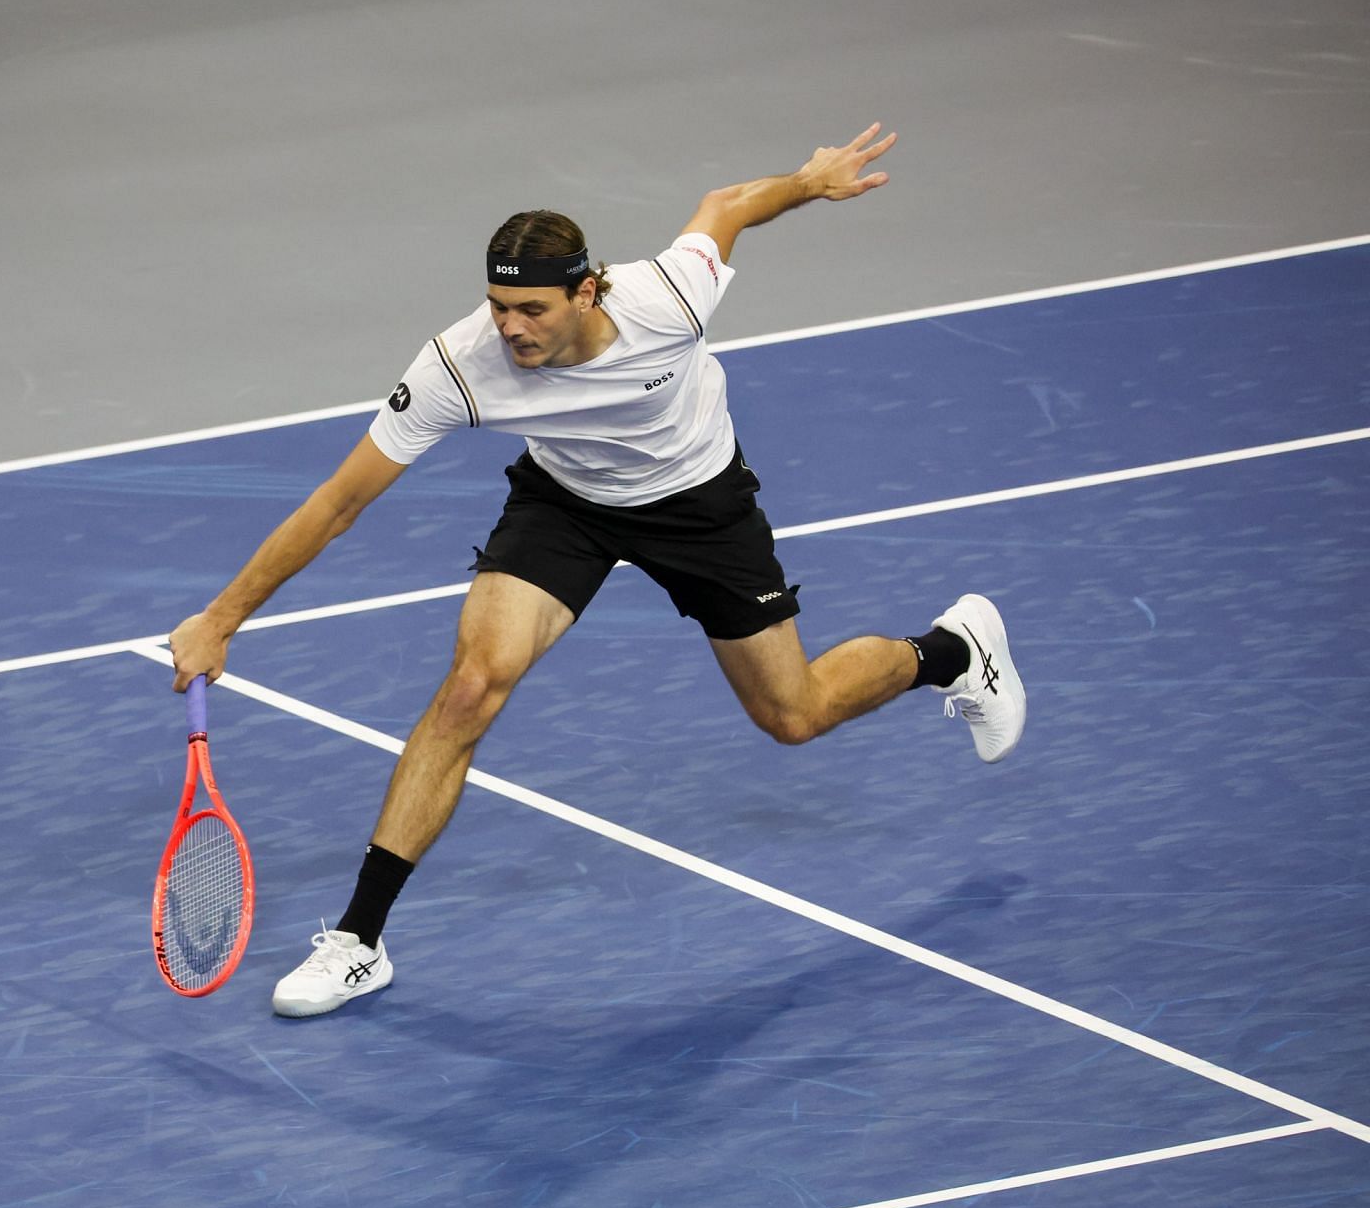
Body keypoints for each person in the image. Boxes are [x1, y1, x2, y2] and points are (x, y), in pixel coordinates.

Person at [168, 124, 1024, 1018]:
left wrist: (808, 182)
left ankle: (951, 652)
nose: (511, 328)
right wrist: (223, 616)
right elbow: (338, 502)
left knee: (794, 714)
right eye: (499, 308)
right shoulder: (459, 367)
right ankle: (357, 940)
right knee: (470, 688)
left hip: (699, 503)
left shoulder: (670, 300)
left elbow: (726, 206)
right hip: (565, 502)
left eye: (533, 310)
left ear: (587, 290)